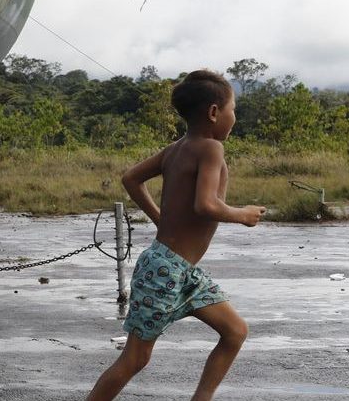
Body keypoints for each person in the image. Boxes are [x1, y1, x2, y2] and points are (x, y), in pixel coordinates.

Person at [86, 70, 266, 401]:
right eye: (233, 109)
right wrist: (242, 215)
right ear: (214, 112)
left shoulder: (177, 148)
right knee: (135, 358)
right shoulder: (211, 148)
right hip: (164, 270)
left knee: (235, 331)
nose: (234, 117)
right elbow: (206, 204)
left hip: (182, 271)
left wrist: (161, 220)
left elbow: (130, 179)